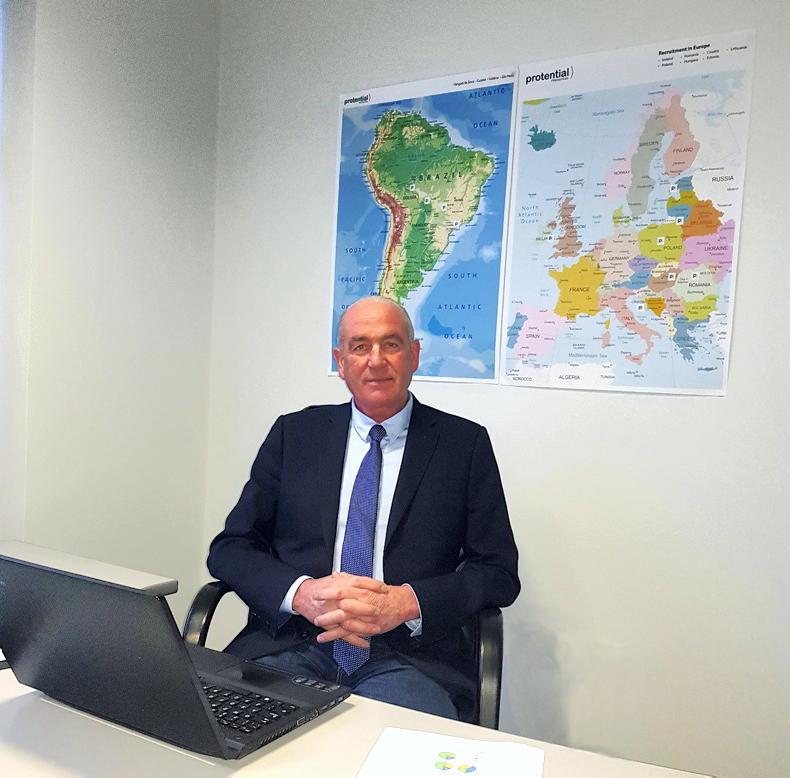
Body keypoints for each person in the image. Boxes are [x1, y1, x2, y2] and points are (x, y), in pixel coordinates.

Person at [207, 296, 519, 719]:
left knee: (394, 748)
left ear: (414, 355)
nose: (376, 360)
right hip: (294, 643)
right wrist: (302, 594)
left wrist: (405, 603)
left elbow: (498, 572)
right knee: (234, 733)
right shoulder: (294, 435)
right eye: (359, 346)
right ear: (341, 362)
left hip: (408, 657)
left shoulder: (463, 446)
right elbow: (230, 548)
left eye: (391, 344)